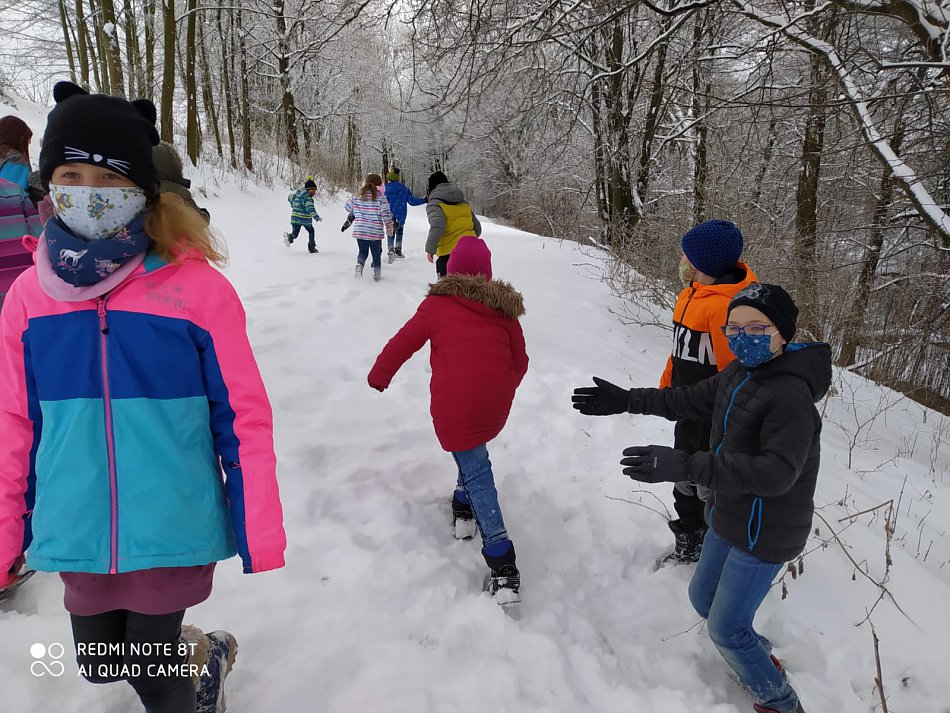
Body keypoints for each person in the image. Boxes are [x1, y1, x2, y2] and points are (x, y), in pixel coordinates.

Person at [0, 81, 287, 713]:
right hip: (76, 523)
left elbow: (241, 415)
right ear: (49, 184)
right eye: (72, 176)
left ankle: (192, 684)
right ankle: (201, 657)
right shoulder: (28, 298)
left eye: (109, 178)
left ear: (142, 190)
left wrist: (257, 520)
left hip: (172, 519)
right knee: (101, 664)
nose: (90, 192)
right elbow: (13, 423)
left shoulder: (196, 290)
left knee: (155, 679)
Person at [573, 283, 830, 713]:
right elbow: (687, 400)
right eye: (735, 328)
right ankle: (756, 656)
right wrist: (627, 400)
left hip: (765, 532)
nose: (743, 337)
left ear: (782, 334)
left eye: (757, 328)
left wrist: (687, 466)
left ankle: (781, 702)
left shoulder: (790, 397)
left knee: (726, 630)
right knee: (703, 600)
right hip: (728, 513)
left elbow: (776, 474)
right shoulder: (738, 374)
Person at [368, 236, 528, 602]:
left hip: (455, 406)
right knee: (471, 452)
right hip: (494, 403)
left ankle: (503, 565)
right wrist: (501, 386)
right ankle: (462, 504)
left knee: (477, 470)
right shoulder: (504, 311)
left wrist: (379, 375)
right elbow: (521, 361)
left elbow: (402, 342)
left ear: (451, 271)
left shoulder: (436, 305)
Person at [424, 171, 481, 278]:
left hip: (450, 255)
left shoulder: (434, 203)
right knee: (470, 286)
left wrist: (430, 249)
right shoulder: (463, 202)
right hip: (473, 251)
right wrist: (468, 242)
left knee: (447, 287)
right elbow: (477, 228)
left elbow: (437, 224)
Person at [345, 173, 393, 282]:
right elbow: (386, 214)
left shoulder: (358, 196)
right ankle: (377, 275)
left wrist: (352, 199)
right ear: (380, 185)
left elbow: (347, 207)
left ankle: (359, 265)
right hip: (375, 232)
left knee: (362, 252)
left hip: (360, 231)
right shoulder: (381, 198)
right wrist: (389, 227)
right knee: (376, 254)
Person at [153, 141, 210, 222]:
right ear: (172, 166)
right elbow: (199, 220)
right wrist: (205, 214)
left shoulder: (139, 189)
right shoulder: (178, 192)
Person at [383, 167, 426, 261]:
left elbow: (383, 203)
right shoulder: (404, 189)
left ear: (389, 179)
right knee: (399, 232)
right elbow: (412, 201)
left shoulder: (385, 190)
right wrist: (424, 200)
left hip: (389, 215)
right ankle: (398, 250)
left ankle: (390, 250)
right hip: (400, 216)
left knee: (390, 233)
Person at [284, 177, 322, 253]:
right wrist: (316, 217)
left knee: (295, 234)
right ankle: (311, 248)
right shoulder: (308, 198)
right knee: (311, 231)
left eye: (315, 190)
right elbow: (310, 209)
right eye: (312, 190)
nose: (314, 192)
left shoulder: (297, 195)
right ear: (308, 190)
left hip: (295, 218)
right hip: (305, 219)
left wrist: (293, 205)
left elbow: (290, 197)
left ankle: (290, 237)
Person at [0, 115, 33, 192]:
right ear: (20, 138)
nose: (30, 142)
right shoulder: (16, 159)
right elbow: (10, 194)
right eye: (28, 139)